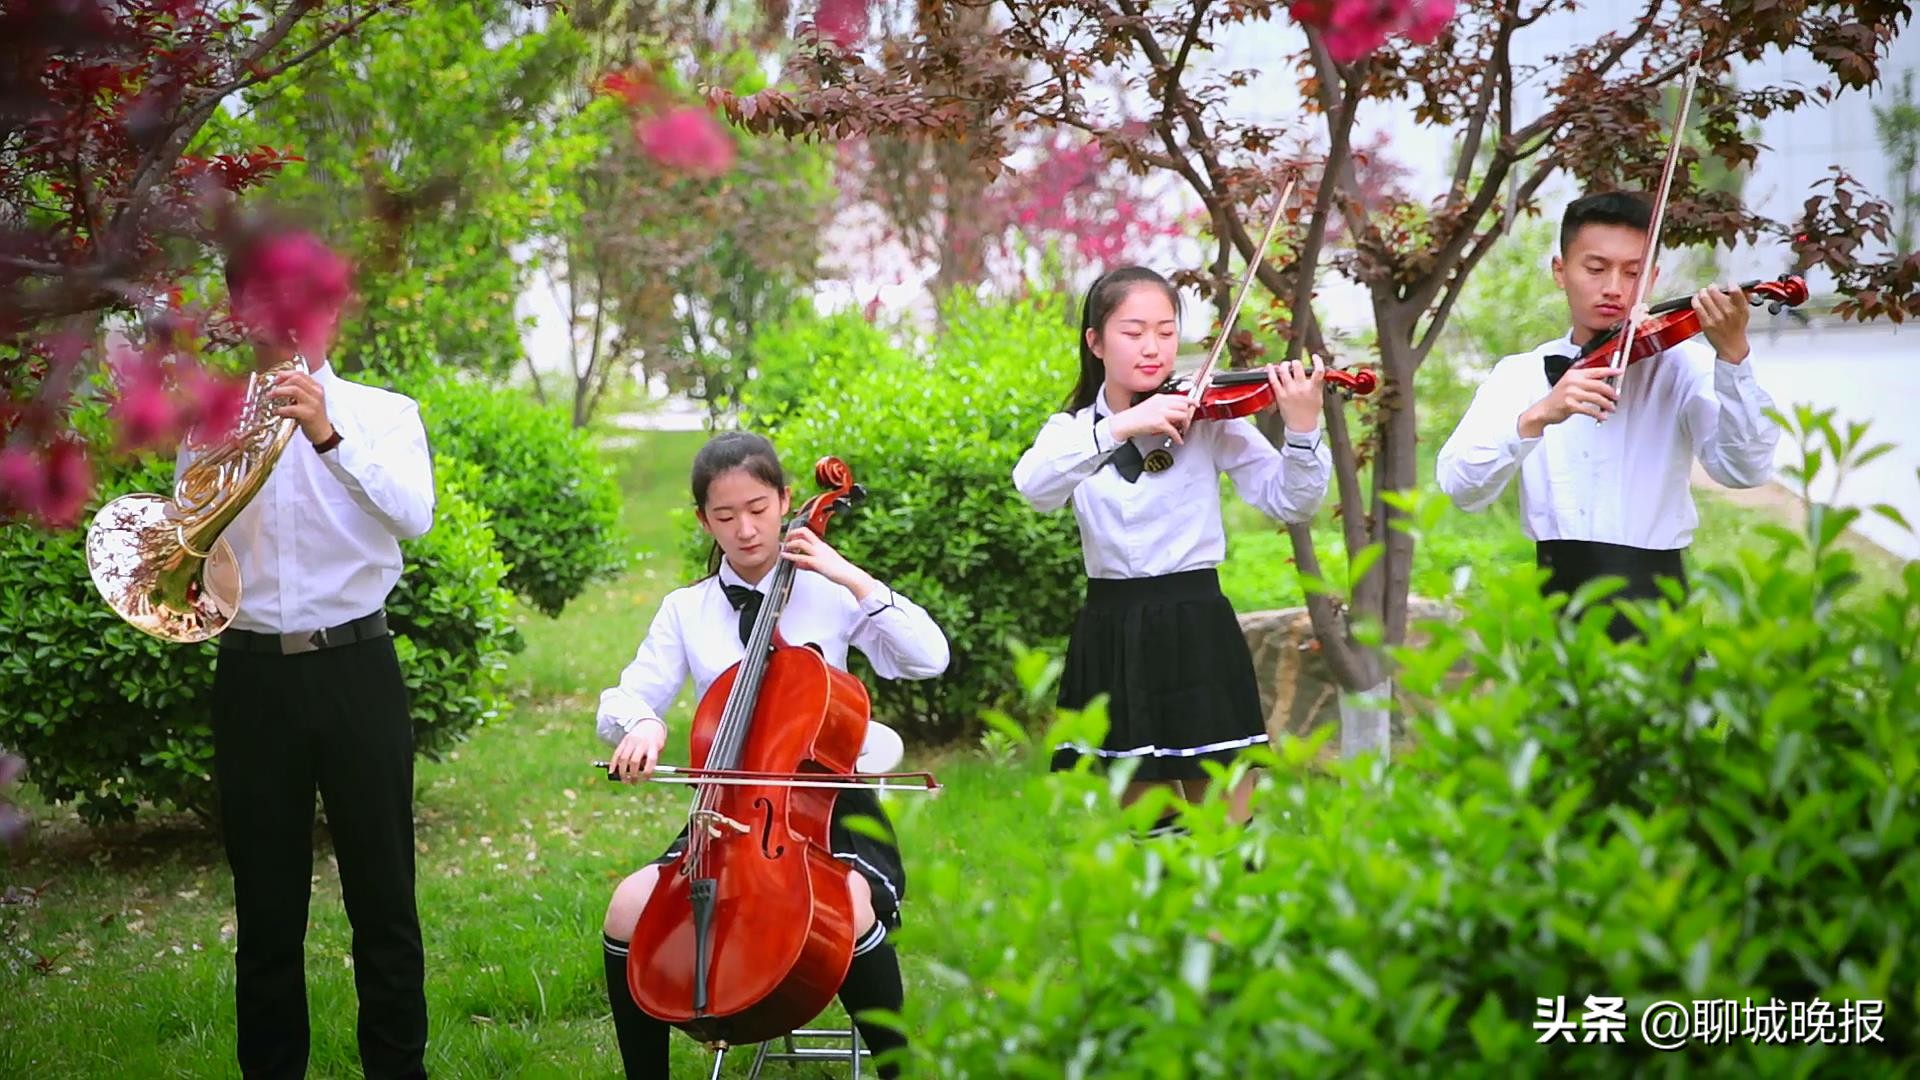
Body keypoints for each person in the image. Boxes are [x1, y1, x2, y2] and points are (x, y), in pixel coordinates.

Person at [595, 431, 950, 1079]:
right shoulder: (687, 610)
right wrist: (640, 724)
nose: (746, 530)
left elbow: (928, 659)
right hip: (724, 820)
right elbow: (622, 697)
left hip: (836, 813)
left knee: (848, 902)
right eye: (725, 517)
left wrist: (848, 574)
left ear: (788, 500)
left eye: (759, 509)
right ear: (704, 519)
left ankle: (900, 1070)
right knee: (626, 905)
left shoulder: (832, 592)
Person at [193, 232, 436, 1078]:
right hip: (252, 676)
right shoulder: (210, 421)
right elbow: (198, 547)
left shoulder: (384, 413)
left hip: (356, 672)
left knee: (384, 899)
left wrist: (329, 436)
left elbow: (412, 515)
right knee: (265, 911)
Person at [1011, 266, 1332, 827]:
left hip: (1195, 622)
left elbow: (1290, 502)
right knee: (1150, 826)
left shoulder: (1206, 418)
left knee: (1227, 820)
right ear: (1095, 342)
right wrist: (1122, 426)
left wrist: (1302, 431)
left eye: (1166, 331)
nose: (1153, 348)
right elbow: (1035, 488)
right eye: (1133, 333)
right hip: (1111, 627)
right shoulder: (1072, 432)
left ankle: (1234, 914)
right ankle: (1171, 915)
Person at [1435, 190, 1780, 638]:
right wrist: (1537, 416)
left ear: (1653, 278)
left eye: (1633, 272)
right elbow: (1463, 489)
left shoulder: (1685, 367)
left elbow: (1746, 469)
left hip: (1658, 604)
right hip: (1556, 603)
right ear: (1560, 272)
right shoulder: (1519, 375)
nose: (1614, 288)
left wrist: (1733, 357)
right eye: (1595, 269)